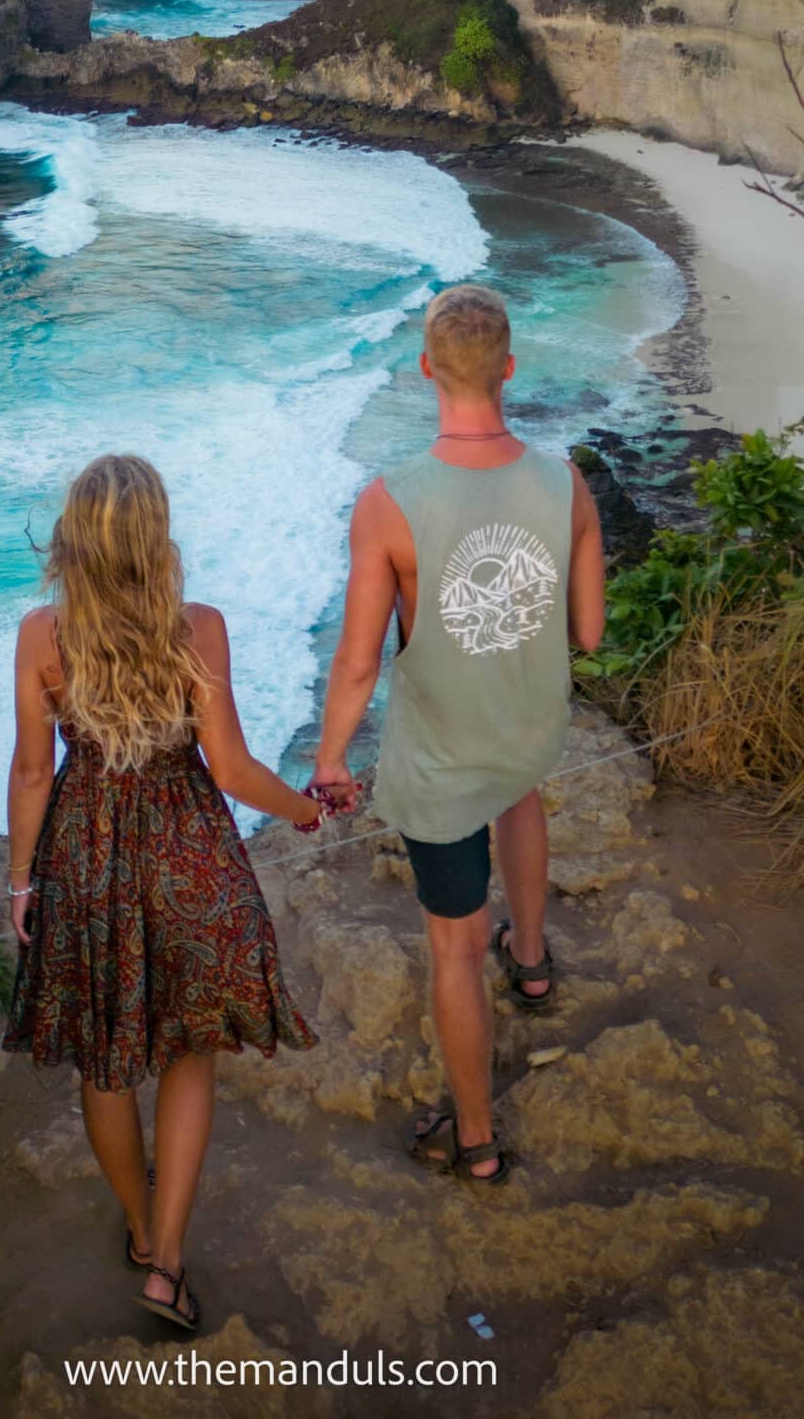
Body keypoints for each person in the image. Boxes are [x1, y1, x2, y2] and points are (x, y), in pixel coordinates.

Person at [4, 452, 325, 1332]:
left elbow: (34, 770)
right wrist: (303, 812)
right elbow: (230, 769)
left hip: (87, 852)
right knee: (188, 1049)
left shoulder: (44, 636)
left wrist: (21, 880)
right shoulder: (197, 629)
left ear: (73, 539)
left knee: (106, 1059)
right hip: (185, 847)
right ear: (156, 536)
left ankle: (142, 1229)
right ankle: (169, 1263)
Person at [310, 283, 605, 1186]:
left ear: (425, 370)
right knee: (516, 793)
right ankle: (533, 962)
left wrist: (326, 761)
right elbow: (587, 633)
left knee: (450, 948)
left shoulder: (389, 502)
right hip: (526, 727)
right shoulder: (566, 483)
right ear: (508, 369)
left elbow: (359, 665)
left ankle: (473, 1138)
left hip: (442, 759)